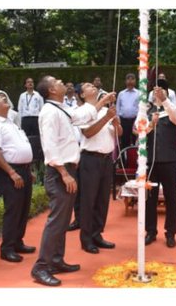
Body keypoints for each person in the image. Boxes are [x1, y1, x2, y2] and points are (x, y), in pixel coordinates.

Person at [31, 76, 80, 286]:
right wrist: (64, 172)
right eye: (59, 81)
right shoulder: (49, 112)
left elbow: (82, 117)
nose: (63, 82)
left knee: (63, 220)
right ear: (52, 89)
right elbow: (49, 146)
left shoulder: (60, 108)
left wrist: (102, 103)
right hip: (59, 172)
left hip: (67, 169)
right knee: (56, 220)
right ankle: (41, 267)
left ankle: (56, 260)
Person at [0, 91, 36, 263]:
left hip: (24, 170)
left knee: (23, 208)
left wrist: (28, 169)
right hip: (10, 171)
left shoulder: (11, 122)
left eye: (3, 97)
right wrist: (12, 172)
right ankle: (7, 248)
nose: (3, 98)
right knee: (13, 209)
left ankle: (17, 241)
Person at [74, 84, 119, 254]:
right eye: (87, 86)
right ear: (82, 94)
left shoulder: (103, 110)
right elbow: (88, 133)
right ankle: (86, 239)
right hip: (90, 159)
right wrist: (106, 118)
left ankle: (97, 234)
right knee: (89, 200)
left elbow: (117, 133)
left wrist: (114, 122)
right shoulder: (83, 111)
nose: (92, 86)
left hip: (107, 159)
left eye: (92, 84)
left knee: (102, 200)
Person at [143, 83, 176, 248]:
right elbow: (138, 131)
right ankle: (151, 231)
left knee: (171, 199)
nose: (158, 93)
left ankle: (171, 233)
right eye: (155, 91)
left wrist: (165, 100)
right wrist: (151, 123)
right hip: (151, 162)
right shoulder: (146, 112)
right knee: (150, 199)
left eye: (162, 91)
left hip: (170, 161)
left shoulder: (171, 111)